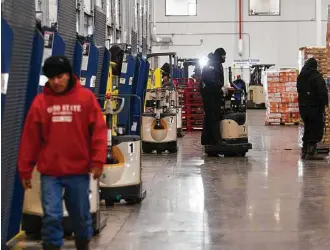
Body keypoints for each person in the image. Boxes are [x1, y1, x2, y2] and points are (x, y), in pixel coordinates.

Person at [18, 56, 107, 250]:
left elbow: (99, 131)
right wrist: (25, 171)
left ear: (68, 74)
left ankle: (83, 244)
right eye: (51, 78)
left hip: (78, 172)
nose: (56, 82)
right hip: (51, 172)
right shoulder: (40, 103)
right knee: (51, 216)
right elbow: (30, 139)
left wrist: (98, 161)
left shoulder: (85, 98)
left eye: (59, 76)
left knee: (81, 217)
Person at [297, 57, 328, 159]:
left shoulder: (300, 77)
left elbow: (299, 91)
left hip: (303, 108)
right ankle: (311, 153)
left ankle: (304, 151)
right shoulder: (316, 77)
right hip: (315, 108)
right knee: (315, 129)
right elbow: (322, 92)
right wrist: (325, 103)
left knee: (307, 128)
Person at [200, 48, 227, 146]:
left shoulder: (212, 63)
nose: (224, 58)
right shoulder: (213, 64)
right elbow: (212, 81)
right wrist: (221, 87)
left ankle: (206, 139)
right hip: (211, 94)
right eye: (224, 56)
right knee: (214, 116)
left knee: (208, 116)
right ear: (220, 56)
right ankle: (216, 140)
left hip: (209, 94)